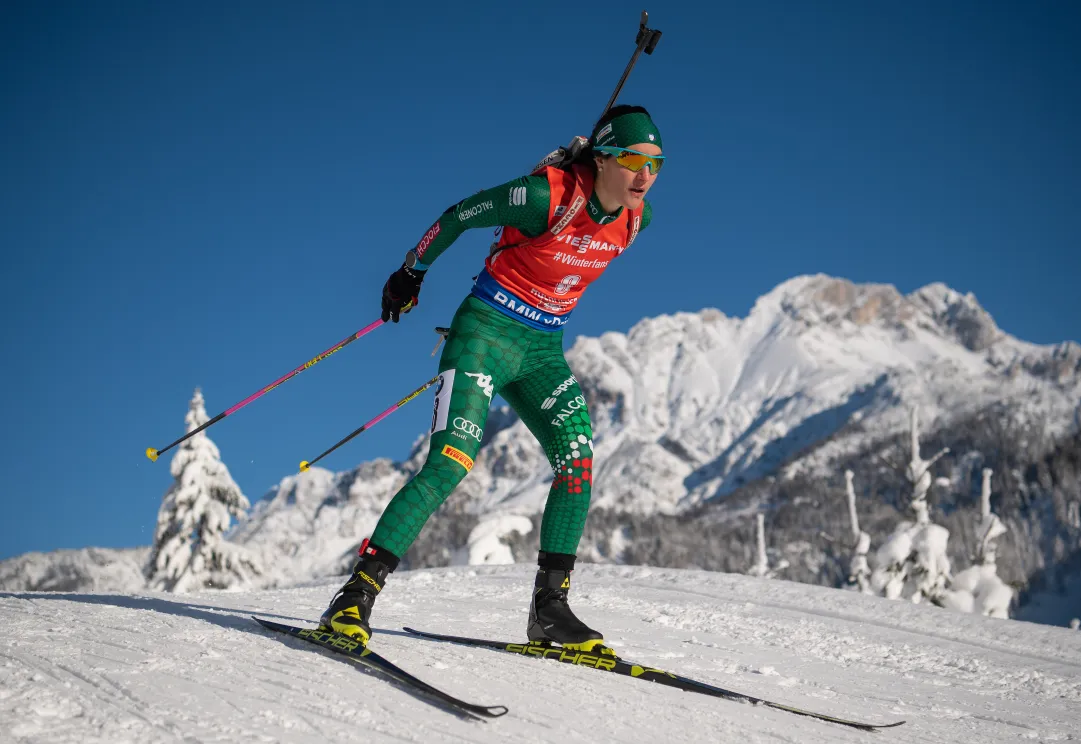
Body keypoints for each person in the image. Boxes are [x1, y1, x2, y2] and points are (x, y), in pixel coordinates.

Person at [319, 105, 664, 654]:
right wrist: (412, 271)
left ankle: (550, 611)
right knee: (451, 463)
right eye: (631, 160)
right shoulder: (546, 195)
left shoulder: (635, 220)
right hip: (484, 334)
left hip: (542, 350)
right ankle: (354, 596)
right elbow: (459, 214)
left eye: (656, 165)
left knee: (577, 462)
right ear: (601, 158)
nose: (645, 176)